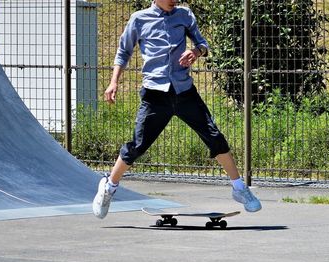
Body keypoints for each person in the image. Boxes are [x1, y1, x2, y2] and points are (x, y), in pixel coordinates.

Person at [92, 0, 261, 219]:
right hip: (155, 95)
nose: (175, 0)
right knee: (137, 145)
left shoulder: (184, 15)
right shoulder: (139, 19)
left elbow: (203, 43)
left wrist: (196, 52)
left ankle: (239, 188)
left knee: (214, 137)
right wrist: (114, 81)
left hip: (184, 92)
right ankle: (109, 187)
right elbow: (123, 52)